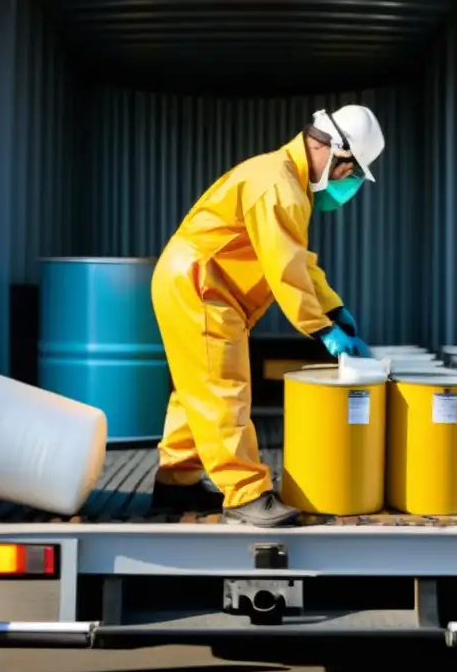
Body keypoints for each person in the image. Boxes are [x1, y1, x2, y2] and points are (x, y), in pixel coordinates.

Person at [150, 105, 384, 528]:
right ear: (336, 155)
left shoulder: (284, 177)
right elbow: (284, 268)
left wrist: (333, 306)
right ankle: (244, 493)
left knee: (195, 388)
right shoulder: (279, 183)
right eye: (349, 174)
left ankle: (176, 482)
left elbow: (298, 260)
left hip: (196, 281)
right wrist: (322, 328)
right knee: (223, 389)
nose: (346, 185)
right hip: (201, 284)